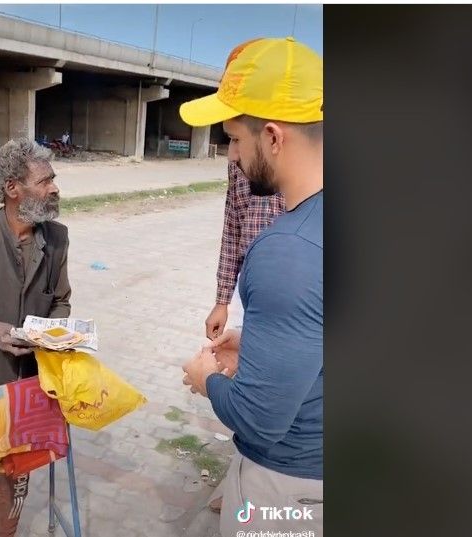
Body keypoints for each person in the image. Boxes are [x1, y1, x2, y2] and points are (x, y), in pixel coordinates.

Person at [180, 37, 323, 536]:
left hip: (287, 488)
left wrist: (206, 379)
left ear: (273, 136)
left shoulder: (288, 249)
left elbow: (259, 419)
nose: (233, 158)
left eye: (235, 141)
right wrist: (265, 343)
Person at [0, 138, 72, 537]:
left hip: (25, 379)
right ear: (12, 189)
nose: (55, 187)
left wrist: (51, 333)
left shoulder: (56, 238)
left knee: (14, 471)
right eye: (45, 180)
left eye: (53, 179)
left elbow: (61, 300)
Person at [205, 160, 285, 340]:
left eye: (237, 139)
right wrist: (222, 302)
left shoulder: (304, 157)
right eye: (231, 139)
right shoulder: (236, 163)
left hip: (293, 287)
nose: (232, 154)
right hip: (249, 287)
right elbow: (231, 232)